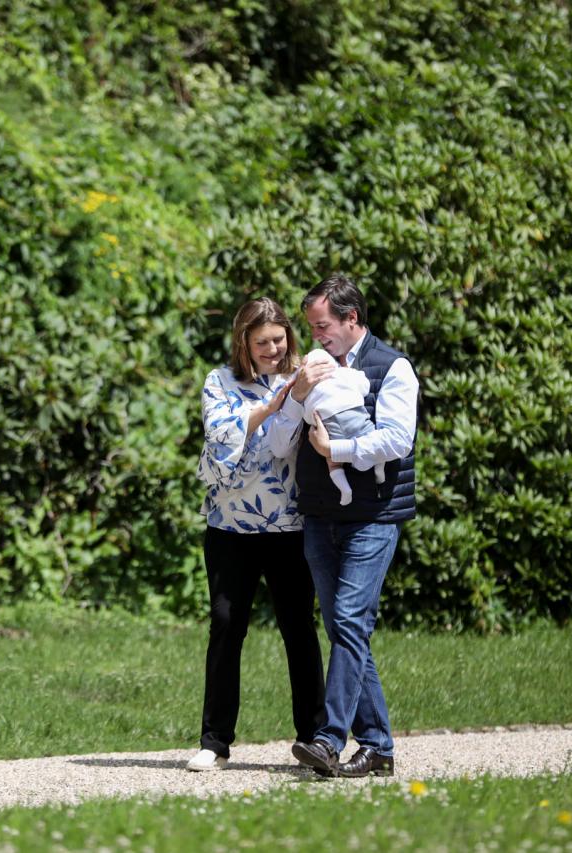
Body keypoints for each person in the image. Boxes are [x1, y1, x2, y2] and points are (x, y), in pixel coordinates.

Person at [268, 274, 418, 778]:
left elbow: (398, 439)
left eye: (323, 326)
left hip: (372, 518)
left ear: (352, 319)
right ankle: (377, 747)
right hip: (318, 518)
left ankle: (329, 740)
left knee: (350, 624)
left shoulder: (392, 367)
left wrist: (341, 451)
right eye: (311, 327)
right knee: (343, 629)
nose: (316, 337)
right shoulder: (310, 370)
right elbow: (277, 444)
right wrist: (295, 396)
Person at [187, 297, 326, 772]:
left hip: (290, 526)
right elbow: (219, 431)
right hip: (231, 528)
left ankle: (314, 739)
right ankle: (215, 742)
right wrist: (268, 408)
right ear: (243, 342)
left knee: (299, 631)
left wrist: (296, 394)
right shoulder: (218, 381)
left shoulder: (301, 374)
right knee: (227, 627)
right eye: (262, 341)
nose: (273, 348)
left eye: (279, 338)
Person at [299, 347, 384, 506]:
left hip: (332, 428)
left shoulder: (309, 392)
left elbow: (308, 416)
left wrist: (314, 422)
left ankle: (345, 490)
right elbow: (364, 385)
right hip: (356, 417)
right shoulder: (341, 373)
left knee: (333, 462)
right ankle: (379, 468)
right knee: (375, 441)